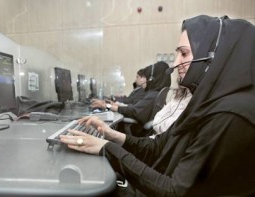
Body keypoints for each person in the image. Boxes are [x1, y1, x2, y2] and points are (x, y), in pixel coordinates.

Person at [60, 15, 255, 196]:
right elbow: (158, 146)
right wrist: (112, 136)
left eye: (184, 54)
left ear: (214, 57)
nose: (175, 63)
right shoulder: (205, 103)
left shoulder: (229, 115)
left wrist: (107, 148)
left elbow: (174, 191)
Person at [92, 61, 171, 127]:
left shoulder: (153, 95)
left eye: (146, 77)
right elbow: (135, 108)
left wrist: (107, 106)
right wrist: (112, 105)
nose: (145, 80)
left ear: (151, 79)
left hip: (138, 132)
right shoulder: (155, 94)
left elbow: (133, 111)